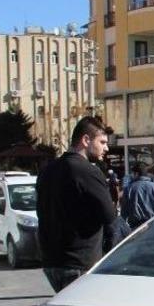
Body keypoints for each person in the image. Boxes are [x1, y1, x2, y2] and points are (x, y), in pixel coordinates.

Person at [37, 117, 118, 292]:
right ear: (86, 140)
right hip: (80, 261)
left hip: (51, 261)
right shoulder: (88, 171)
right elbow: (110, 217)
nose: (106, 148)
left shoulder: (48, 170)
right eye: (102, 142)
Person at [120, 163, 154, 229]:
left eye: (133, 173)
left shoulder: (129, 188)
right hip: (153, 223)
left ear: (136, 174)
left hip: (136, 226)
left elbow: (124, 209)